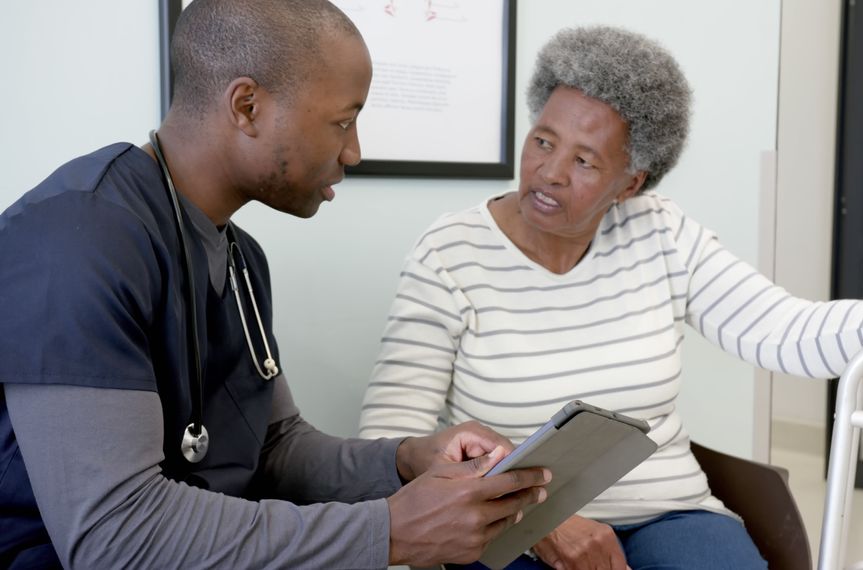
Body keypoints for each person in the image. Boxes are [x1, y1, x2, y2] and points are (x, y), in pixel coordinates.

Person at [357, 25, 863, 570]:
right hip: (508, 528)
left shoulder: (662, 235)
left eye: (584, 161)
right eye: (542, 142)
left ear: (630, 183)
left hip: (667, 514)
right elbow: (389, 438)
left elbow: (790, 331)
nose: (547, 173)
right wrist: (537, 525)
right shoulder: (450, 251)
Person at [0, 1, 551, 568]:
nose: (354, 151)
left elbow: (275, 448)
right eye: (342, 121)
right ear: (247, 106)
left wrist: (406, 460)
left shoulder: (241, 260)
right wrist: (387, 533)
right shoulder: (75, 241)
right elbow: (116, 535)